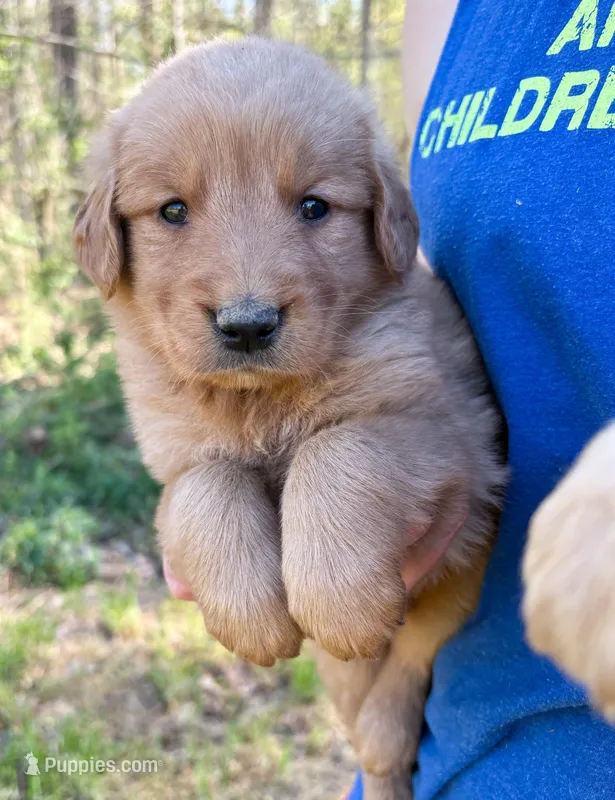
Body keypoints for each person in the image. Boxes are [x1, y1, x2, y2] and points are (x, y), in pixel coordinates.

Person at [166, 2, 615, 796]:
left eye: (312, 208)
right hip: (465, 736)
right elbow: (432, 278)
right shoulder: (446, 11)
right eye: (173, 213)